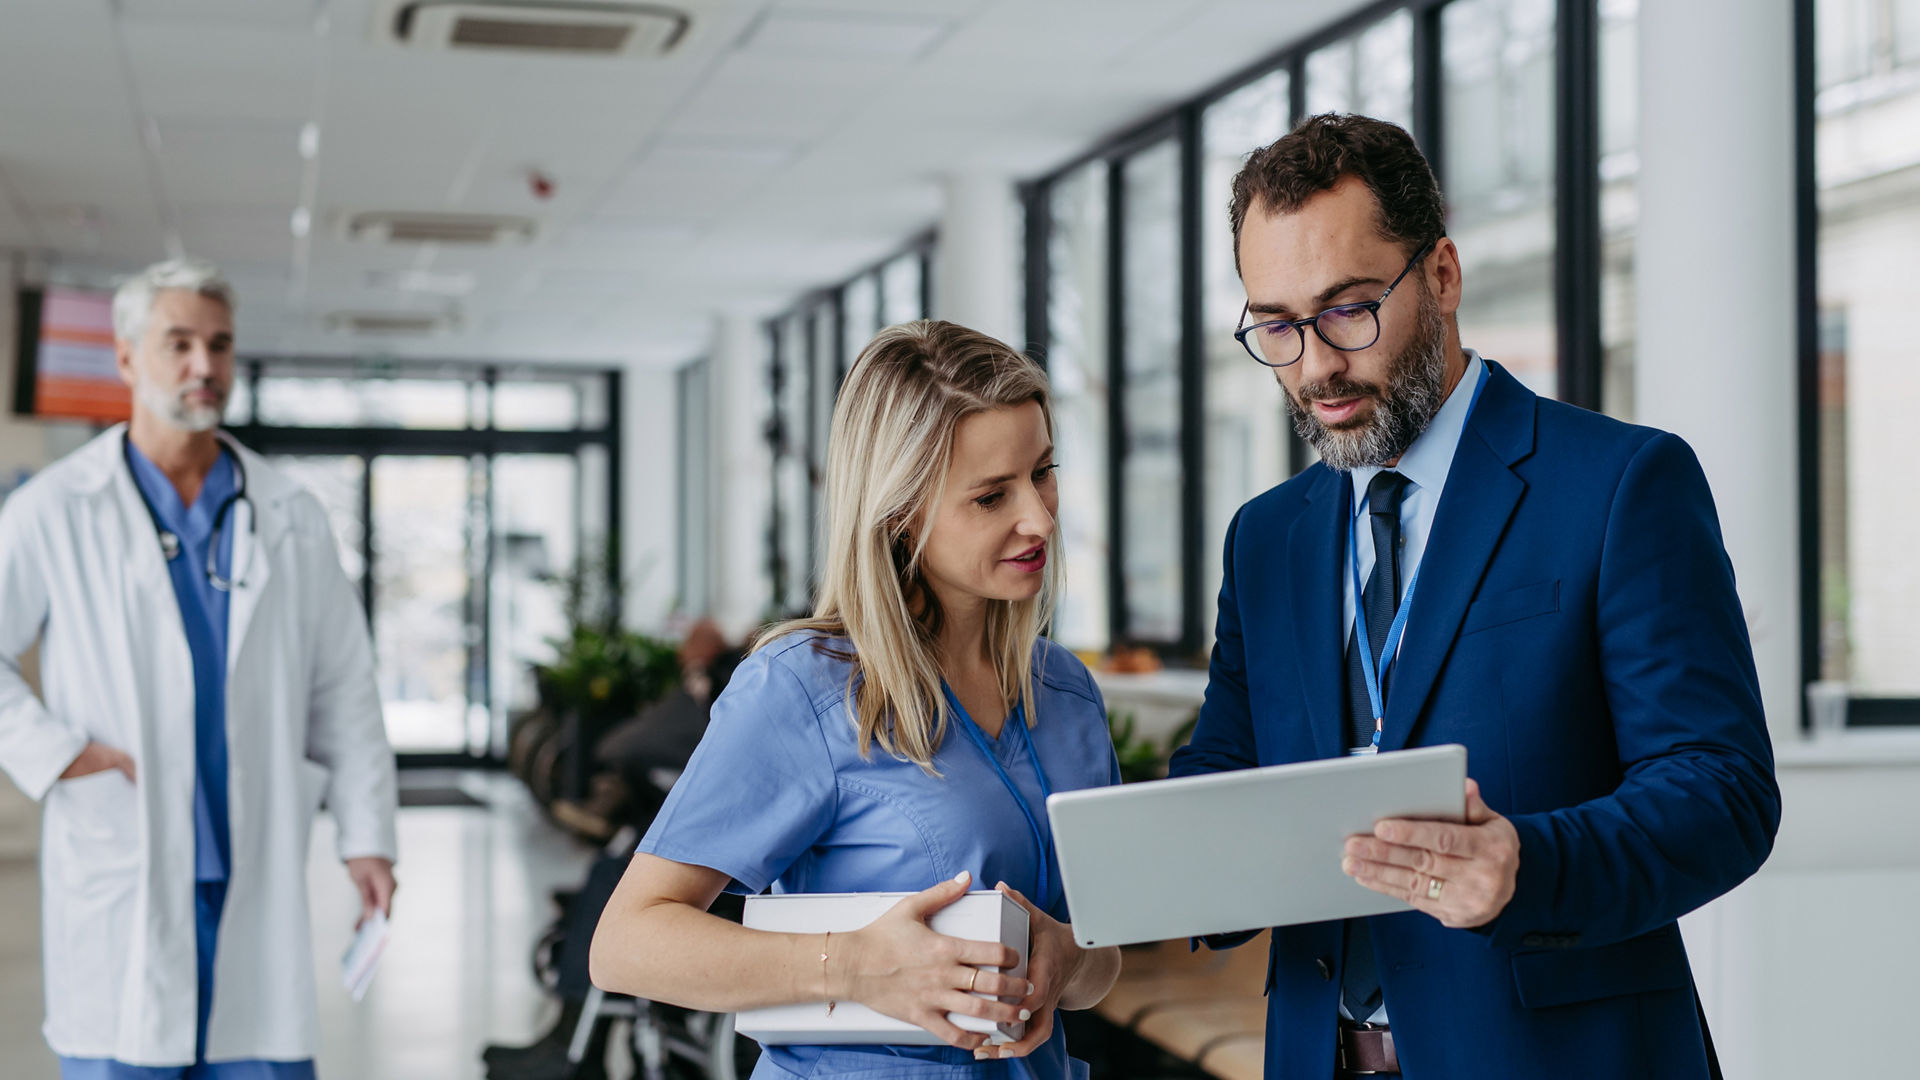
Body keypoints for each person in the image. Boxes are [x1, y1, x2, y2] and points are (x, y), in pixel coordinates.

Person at [1167, 114, 1780, 1079]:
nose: (1316, 364)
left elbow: (1722, 791)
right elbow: (1228, 768)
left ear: (1442, 276)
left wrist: (1530, 866)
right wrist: (1152, 865)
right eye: (1277, 327)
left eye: (1348, 309)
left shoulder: (1619, 484)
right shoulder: (1267, 537)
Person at [589, 320, 1123, 1079]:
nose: (1038, 517)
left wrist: (1067, 961)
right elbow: (625, 946)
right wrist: (854, 968)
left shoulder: (1066, 696)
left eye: (1042, 471)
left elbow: (1101, 961)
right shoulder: (806, 686)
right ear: (901, 515)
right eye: (989, 496)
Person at [0, 258, 399, 1077]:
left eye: (219, 345)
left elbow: (344, 689)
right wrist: (55, 751)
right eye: (177, 343)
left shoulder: (289, 513)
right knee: (126, 1050)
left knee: (260, 1048)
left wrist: (367, 837)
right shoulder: (56, 507)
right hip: (125, 853)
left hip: (253, 858)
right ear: (125, 359)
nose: (204, 366)